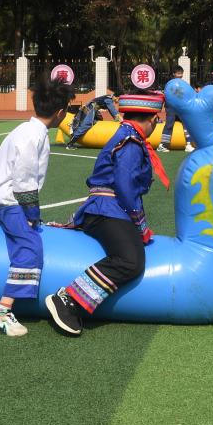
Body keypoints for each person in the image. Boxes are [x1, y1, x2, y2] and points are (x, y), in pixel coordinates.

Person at [45, 92, 170, 336]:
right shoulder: (131, 142)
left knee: (131, 254)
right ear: (154, 119)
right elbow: (125, 187)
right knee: (130, 261)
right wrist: (139, 223)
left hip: (107, 208)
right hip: (107, 210)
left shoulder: (127, 135)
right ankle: (68, 299)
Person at [0, 77, 73, 336]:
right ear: (60, 113)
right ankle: (1, 311)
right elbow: (23, 178)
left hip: (7, 197)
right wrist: (31, 214)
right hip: (8, 200)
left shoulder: (29, 130)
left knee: (28, 237)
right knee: (30, 245)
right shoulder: (33, 135)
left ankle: (5, 308)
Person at [157, 66, 194, 153]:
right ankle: (163, 145)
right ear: (174, 74)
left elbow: (186, 95)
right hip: (171, 108)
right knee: (169, 125)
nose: (180, 75)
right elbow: (167, 95)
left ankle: (188, 144)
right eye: (178, 73)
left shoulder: (183, 84)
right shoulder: (169, 84)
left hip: (181, 108)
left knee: (187, 124)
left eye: (181, 73)